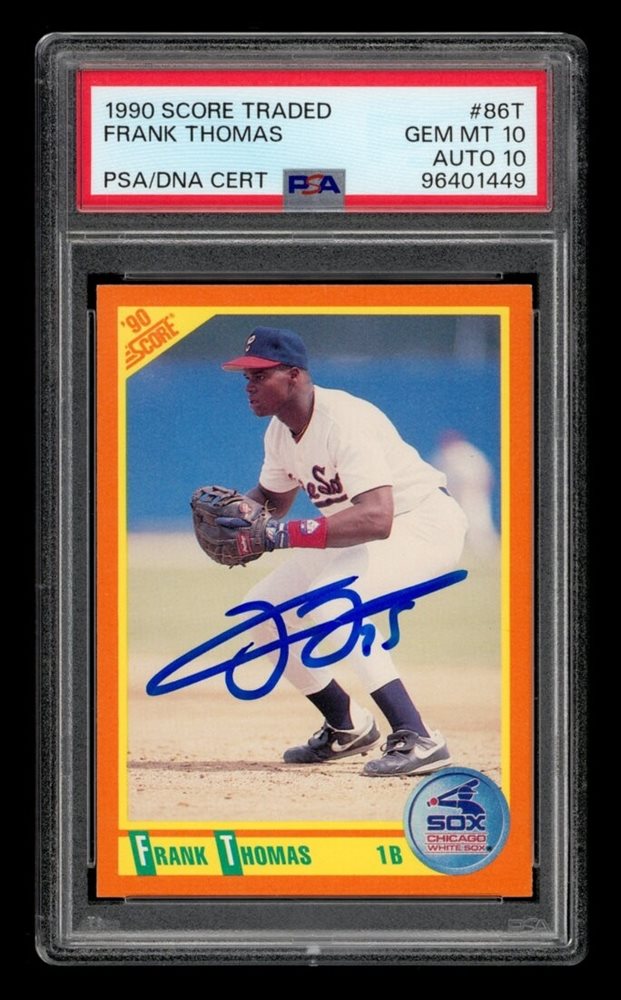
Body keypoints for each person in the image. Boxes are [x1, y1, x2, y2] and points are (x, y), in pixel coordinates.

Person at [221, 326, 469, 777]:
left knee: (331, 603)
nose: (249, 386)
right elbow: (273, 499)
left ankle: (418, 736)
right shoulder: (280, 433)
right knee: (259, 612)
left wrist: (279, 535)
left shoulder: (343, 420)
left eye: (259, 375)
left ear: (294, 375)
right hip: (357, 531)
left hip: (421, 522)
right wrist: (237, 515)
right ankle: (347, 725)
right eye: (246, 377)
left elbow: (377, 517)